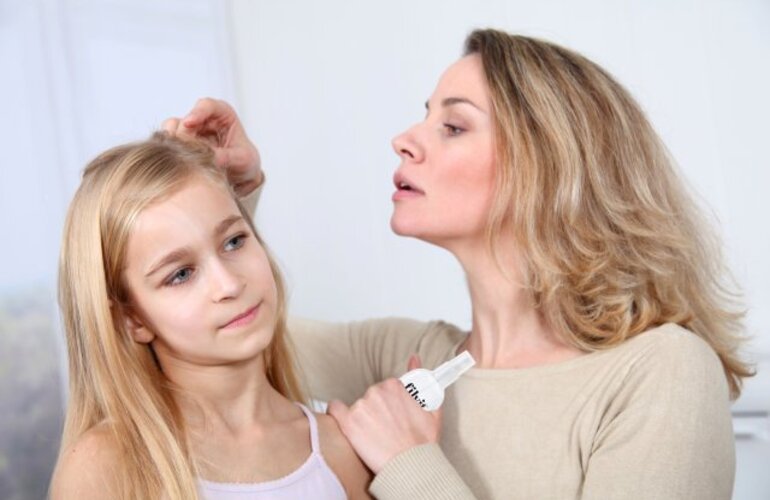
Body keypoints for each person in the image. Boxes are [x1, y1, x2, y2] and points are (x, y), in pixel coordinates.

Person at [165, 29, 753, 499]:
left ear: (547, 170)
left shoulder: (662, 371)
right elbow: (215, 328)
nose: (404, 139)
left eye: (453, 125)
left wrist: (408, 466)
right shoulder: (408, 360)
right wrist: (231, 195)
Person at [49, 133, 371, 499]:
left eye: (234, 241)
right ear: (132, 319)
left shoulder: (340, 450)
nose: (229, 284)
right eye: (180, 274)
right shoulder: (105, 468)